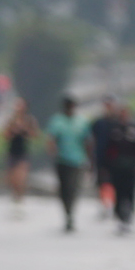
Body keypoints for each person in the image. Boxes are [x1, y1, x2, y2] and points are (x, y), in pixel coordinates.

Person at [45, 95, 92, 233]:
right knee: (64, 189)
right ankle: (67, 213)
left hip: (77, 161)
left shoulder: (81, 122)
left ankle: (71, 213)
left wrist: (89, 159)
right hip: (62, 160)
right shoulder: (57, 121)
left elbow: (87, 141)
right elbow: (51, 139)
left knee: (73, 188)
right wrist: (52, 152)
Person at [103, 102, 135, 234]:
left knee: (130, 191)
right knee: (119, 191)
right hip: (117, 166)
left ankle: (129, 215)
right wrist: (108, 164)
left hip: (131, 166)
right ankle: (120, 215)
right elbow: (109, 148)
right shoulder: (114, 129)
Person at [3, 97, 41, 214]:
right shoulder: (11, 120)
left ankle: (20, 198)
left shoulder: (29, 120)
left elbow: (35, 134)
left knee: (21, 177)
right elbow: (4, 135)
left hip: (23, 152)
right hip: (12, 152)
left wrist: (25, 131)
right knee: (12, 179)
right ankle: (15, 196)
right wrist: (13, 130)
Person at [90, 95, 119, 219]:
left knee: (114, 183)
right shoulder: (98, 123)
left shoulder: (118, 123)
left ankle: (113, 204)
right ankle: (104, 204)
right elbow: (92, 141)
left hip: (115, 158)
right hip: (101, 157)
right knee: (102, 183)